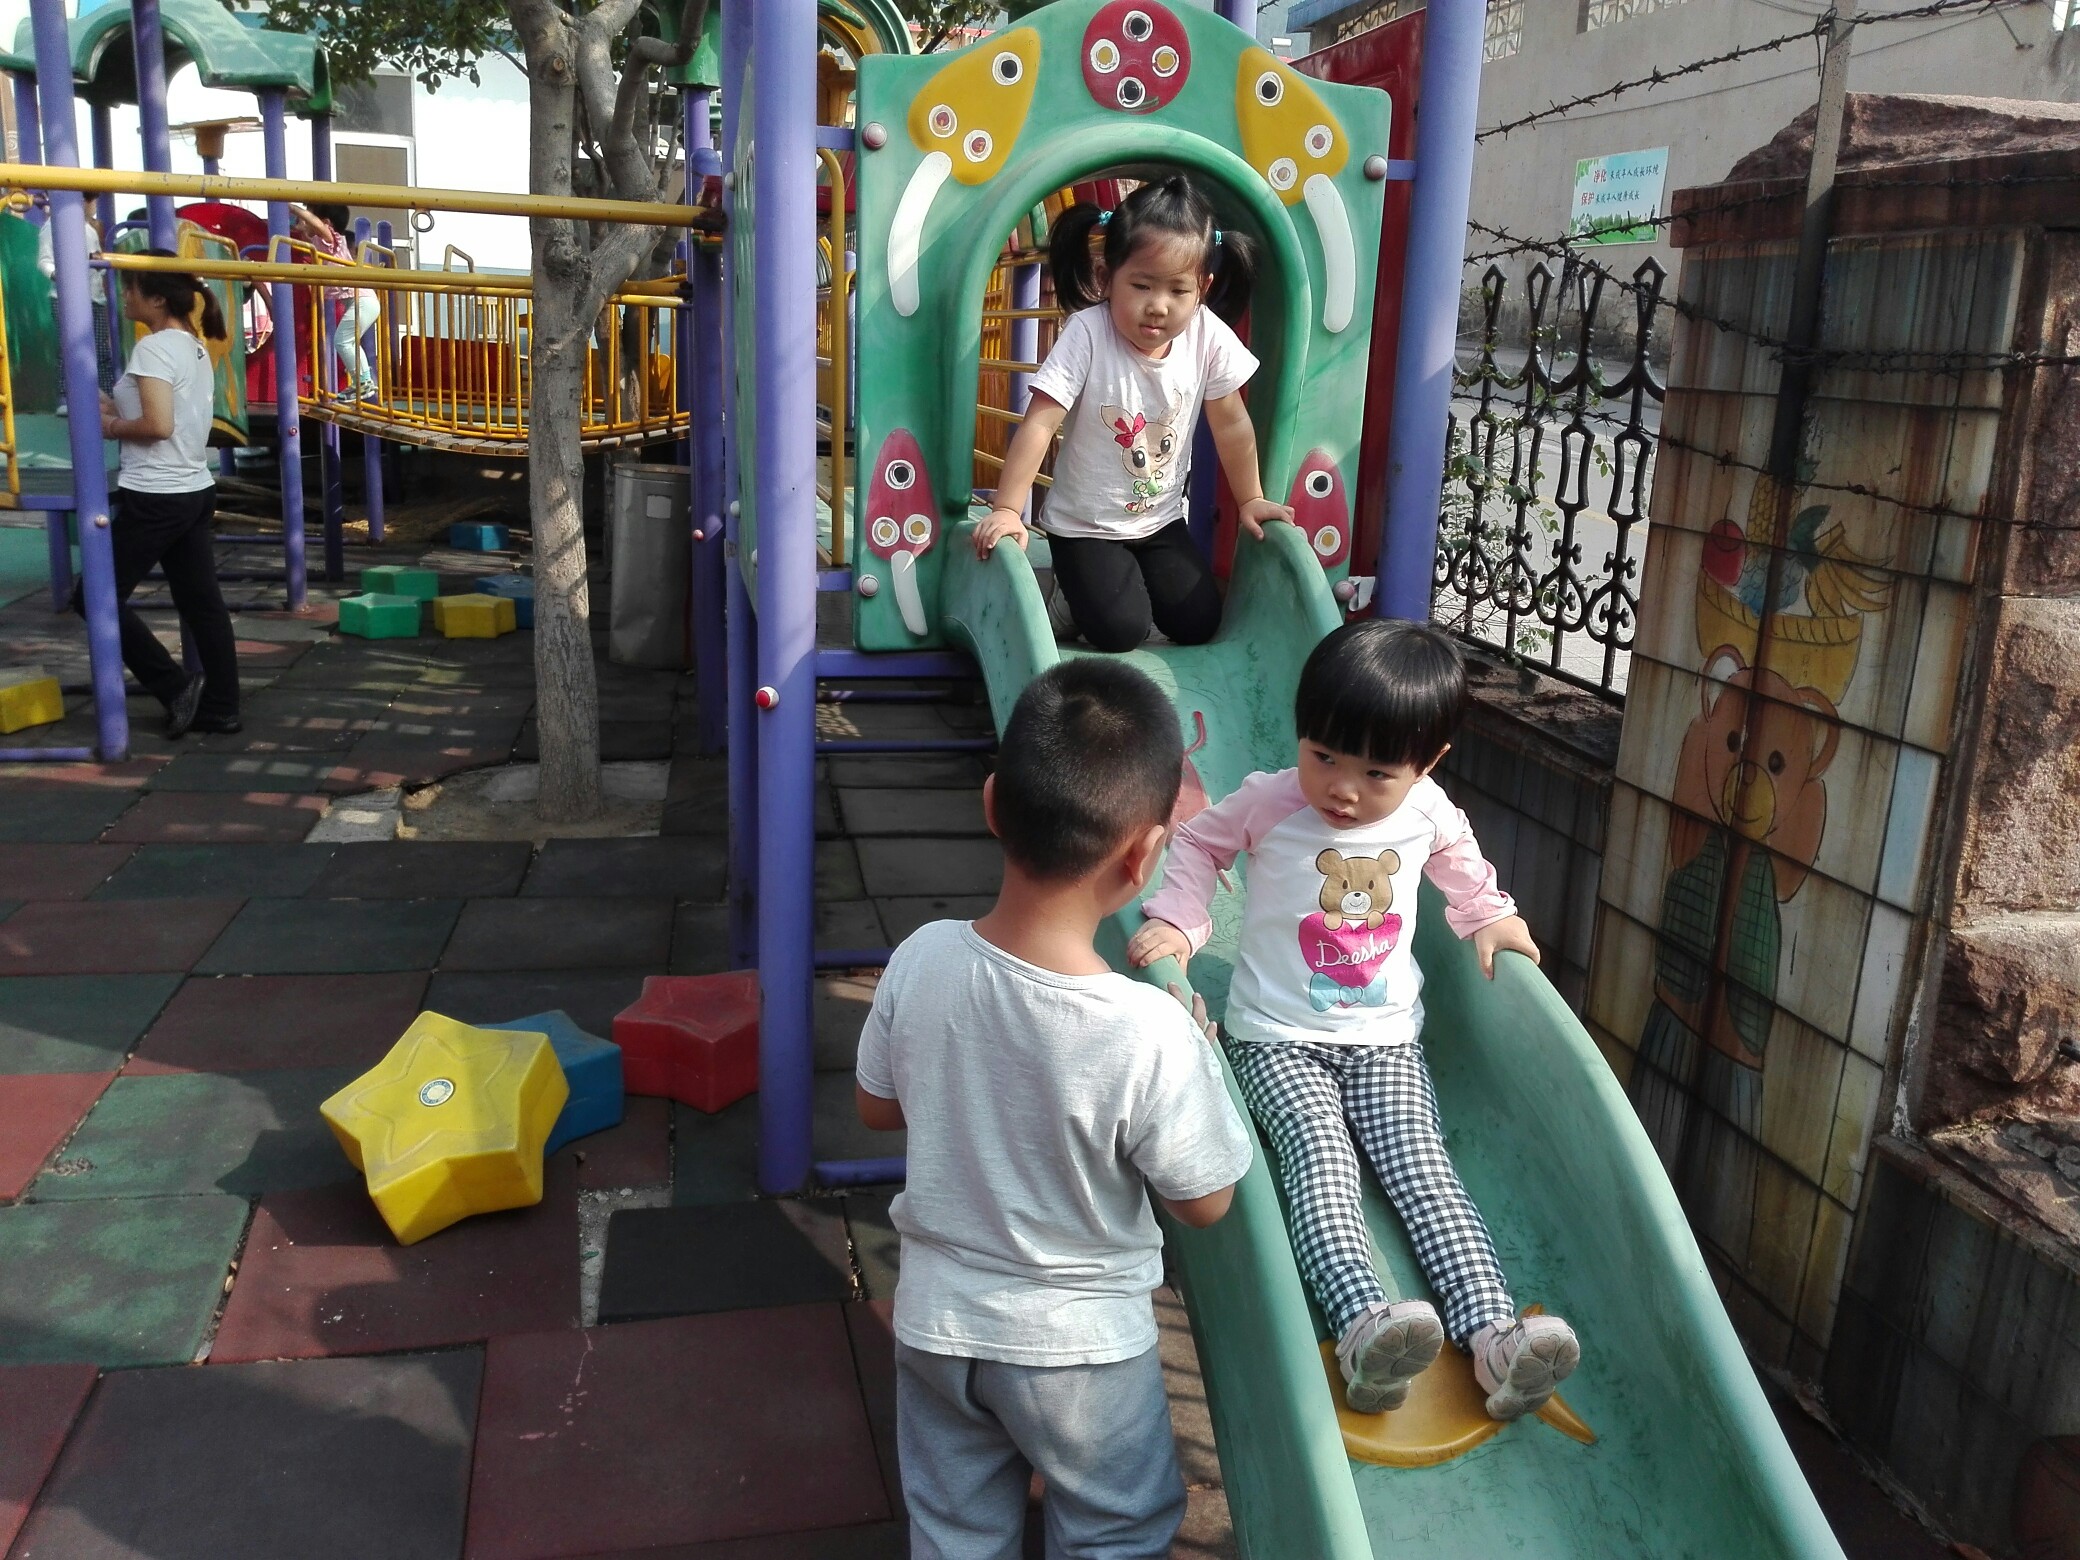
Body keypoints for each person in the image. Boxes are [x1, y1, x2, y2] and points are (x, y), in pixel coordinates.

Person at [1131, 620, 1580, 1421]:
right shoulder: (1271, 802)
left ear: (1427, 764)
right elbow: (1197, 844)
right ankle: (1363, 1325)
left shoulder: (1426, 811)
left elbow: (1459, 856)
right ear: (1301, 737)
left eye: (1376, 773)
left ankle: (1493, 1337)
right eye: (1324, 756)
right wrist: (1183, 920)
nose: (1342, 788)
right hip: (1276, 1040)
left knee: (1424, 1171)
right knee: (1322, 1163)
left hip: (1385, 1042)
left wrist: (1488, 914)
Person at [855, 658, 1254, 1559]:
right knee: (1114, 1531)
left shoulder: (921, 956)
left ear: (992, 804)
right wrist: (1200, 1055)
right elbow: (1204, 1200)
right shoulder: (1148, 1030)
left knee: (955, 1530)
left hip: (938, 1324)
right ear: (1145, 855)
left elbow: (876, 1107)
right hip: (1080, 1353)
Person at [971, 176, 1291, 652]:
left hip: (1160, 520)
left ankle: (1112, 585)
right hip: (1084, 527)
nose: (1158, 306)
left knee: (1198, 623)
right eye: (1141, 285)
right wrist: (1006, 509)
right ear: (1106, 277)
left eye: (1178, 290)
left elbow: (1231, 424)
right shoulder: (1087, 333)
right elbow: (1041, 422)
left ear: (1202, 288)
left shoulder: (1207, 335)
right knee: (1119, 632)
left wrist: (1251, 499)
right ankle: (1067, 599)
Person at [92, 254, 240, 738]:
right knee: (202, 604)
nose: (124, 295)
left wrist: (110, 425)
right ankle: (222, 707)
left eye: (131, 287)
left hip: (157, 493)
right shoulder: (191, 345)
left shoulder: (153, 348)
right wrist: (113, 405)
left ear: (157, 299)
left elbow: (157, 425)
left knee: (94, 596)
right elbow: (163, 411)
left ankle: (176, 688)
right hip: (192, 488)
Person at [290, 200, 380, 398]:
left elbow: (317, 226)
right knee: (348, 341)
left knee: (343, 341)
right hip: (361, 301)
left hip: (362, 300)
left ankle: (363, 382)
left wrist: (292, 207)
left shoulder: (331, 239)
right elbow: (307, 233)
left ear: (326, 223)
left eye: (307, 218)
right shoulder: (319, 243)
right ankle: (363, 381)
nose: (302, 223)